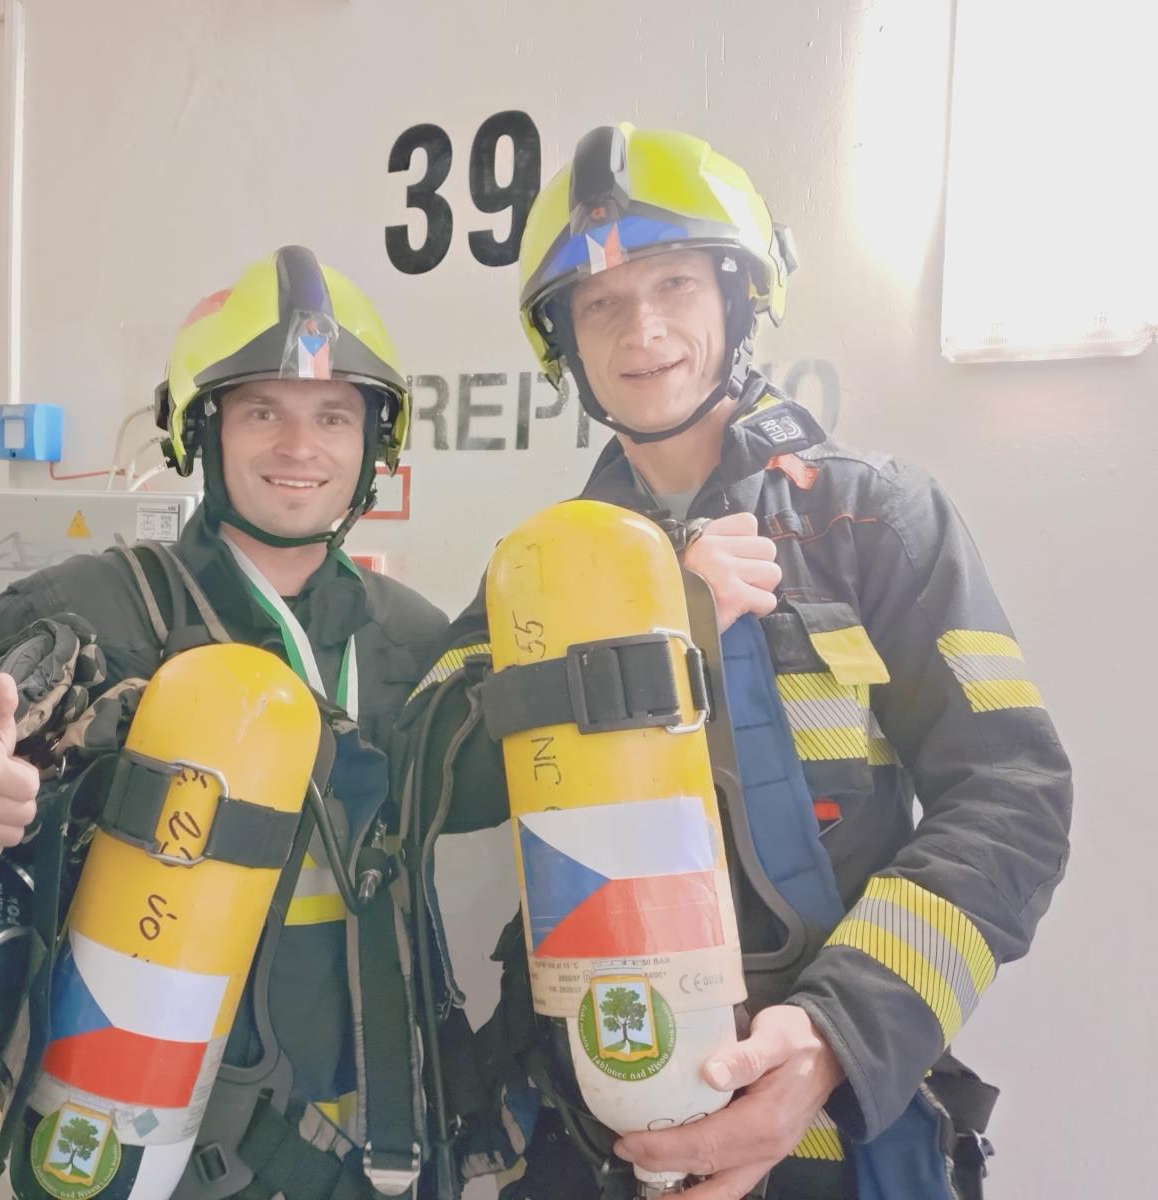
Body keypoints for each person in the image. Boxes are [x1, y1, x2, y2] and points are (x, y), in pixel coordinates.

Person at [405, 124, 1072, 1200]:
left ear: (738, 295)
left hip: (842, 1126)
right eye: (599, 304)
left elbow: (1013, 798)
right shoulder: (540, 572)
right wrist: (651, 625)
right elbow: (428, 776)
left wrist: (838, 1034)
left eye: (673, 284)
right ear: (564, 343)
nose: (642, 331)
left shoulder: (872, 519)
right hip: (599, 1121)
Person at [0, 245, 450, 1199]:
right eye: (262, 411)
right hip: (131, 1144)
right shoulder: (92, 608)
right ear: (201, 431)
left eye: (333, 416)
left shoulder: (413, 638)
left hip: (368, 1150)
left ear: (373, 444)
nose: (299, 446)